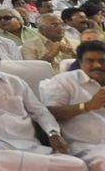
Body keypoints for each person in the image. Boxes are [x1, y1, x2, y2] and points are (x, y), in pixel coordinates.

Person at [0, 45, 86, 171]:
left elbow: (39, 111)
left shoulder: (16, 82)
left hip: (29, 146)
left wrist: (53, 133)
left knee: (78, 165)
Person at [40, 40, 105, 170]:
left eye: (102, 61)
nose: (97, 65)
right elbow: (50, 113)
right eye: (90, 61)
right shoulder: (64, 81)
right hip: (86, 146)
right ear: (80, 63)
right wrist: (87, 106)